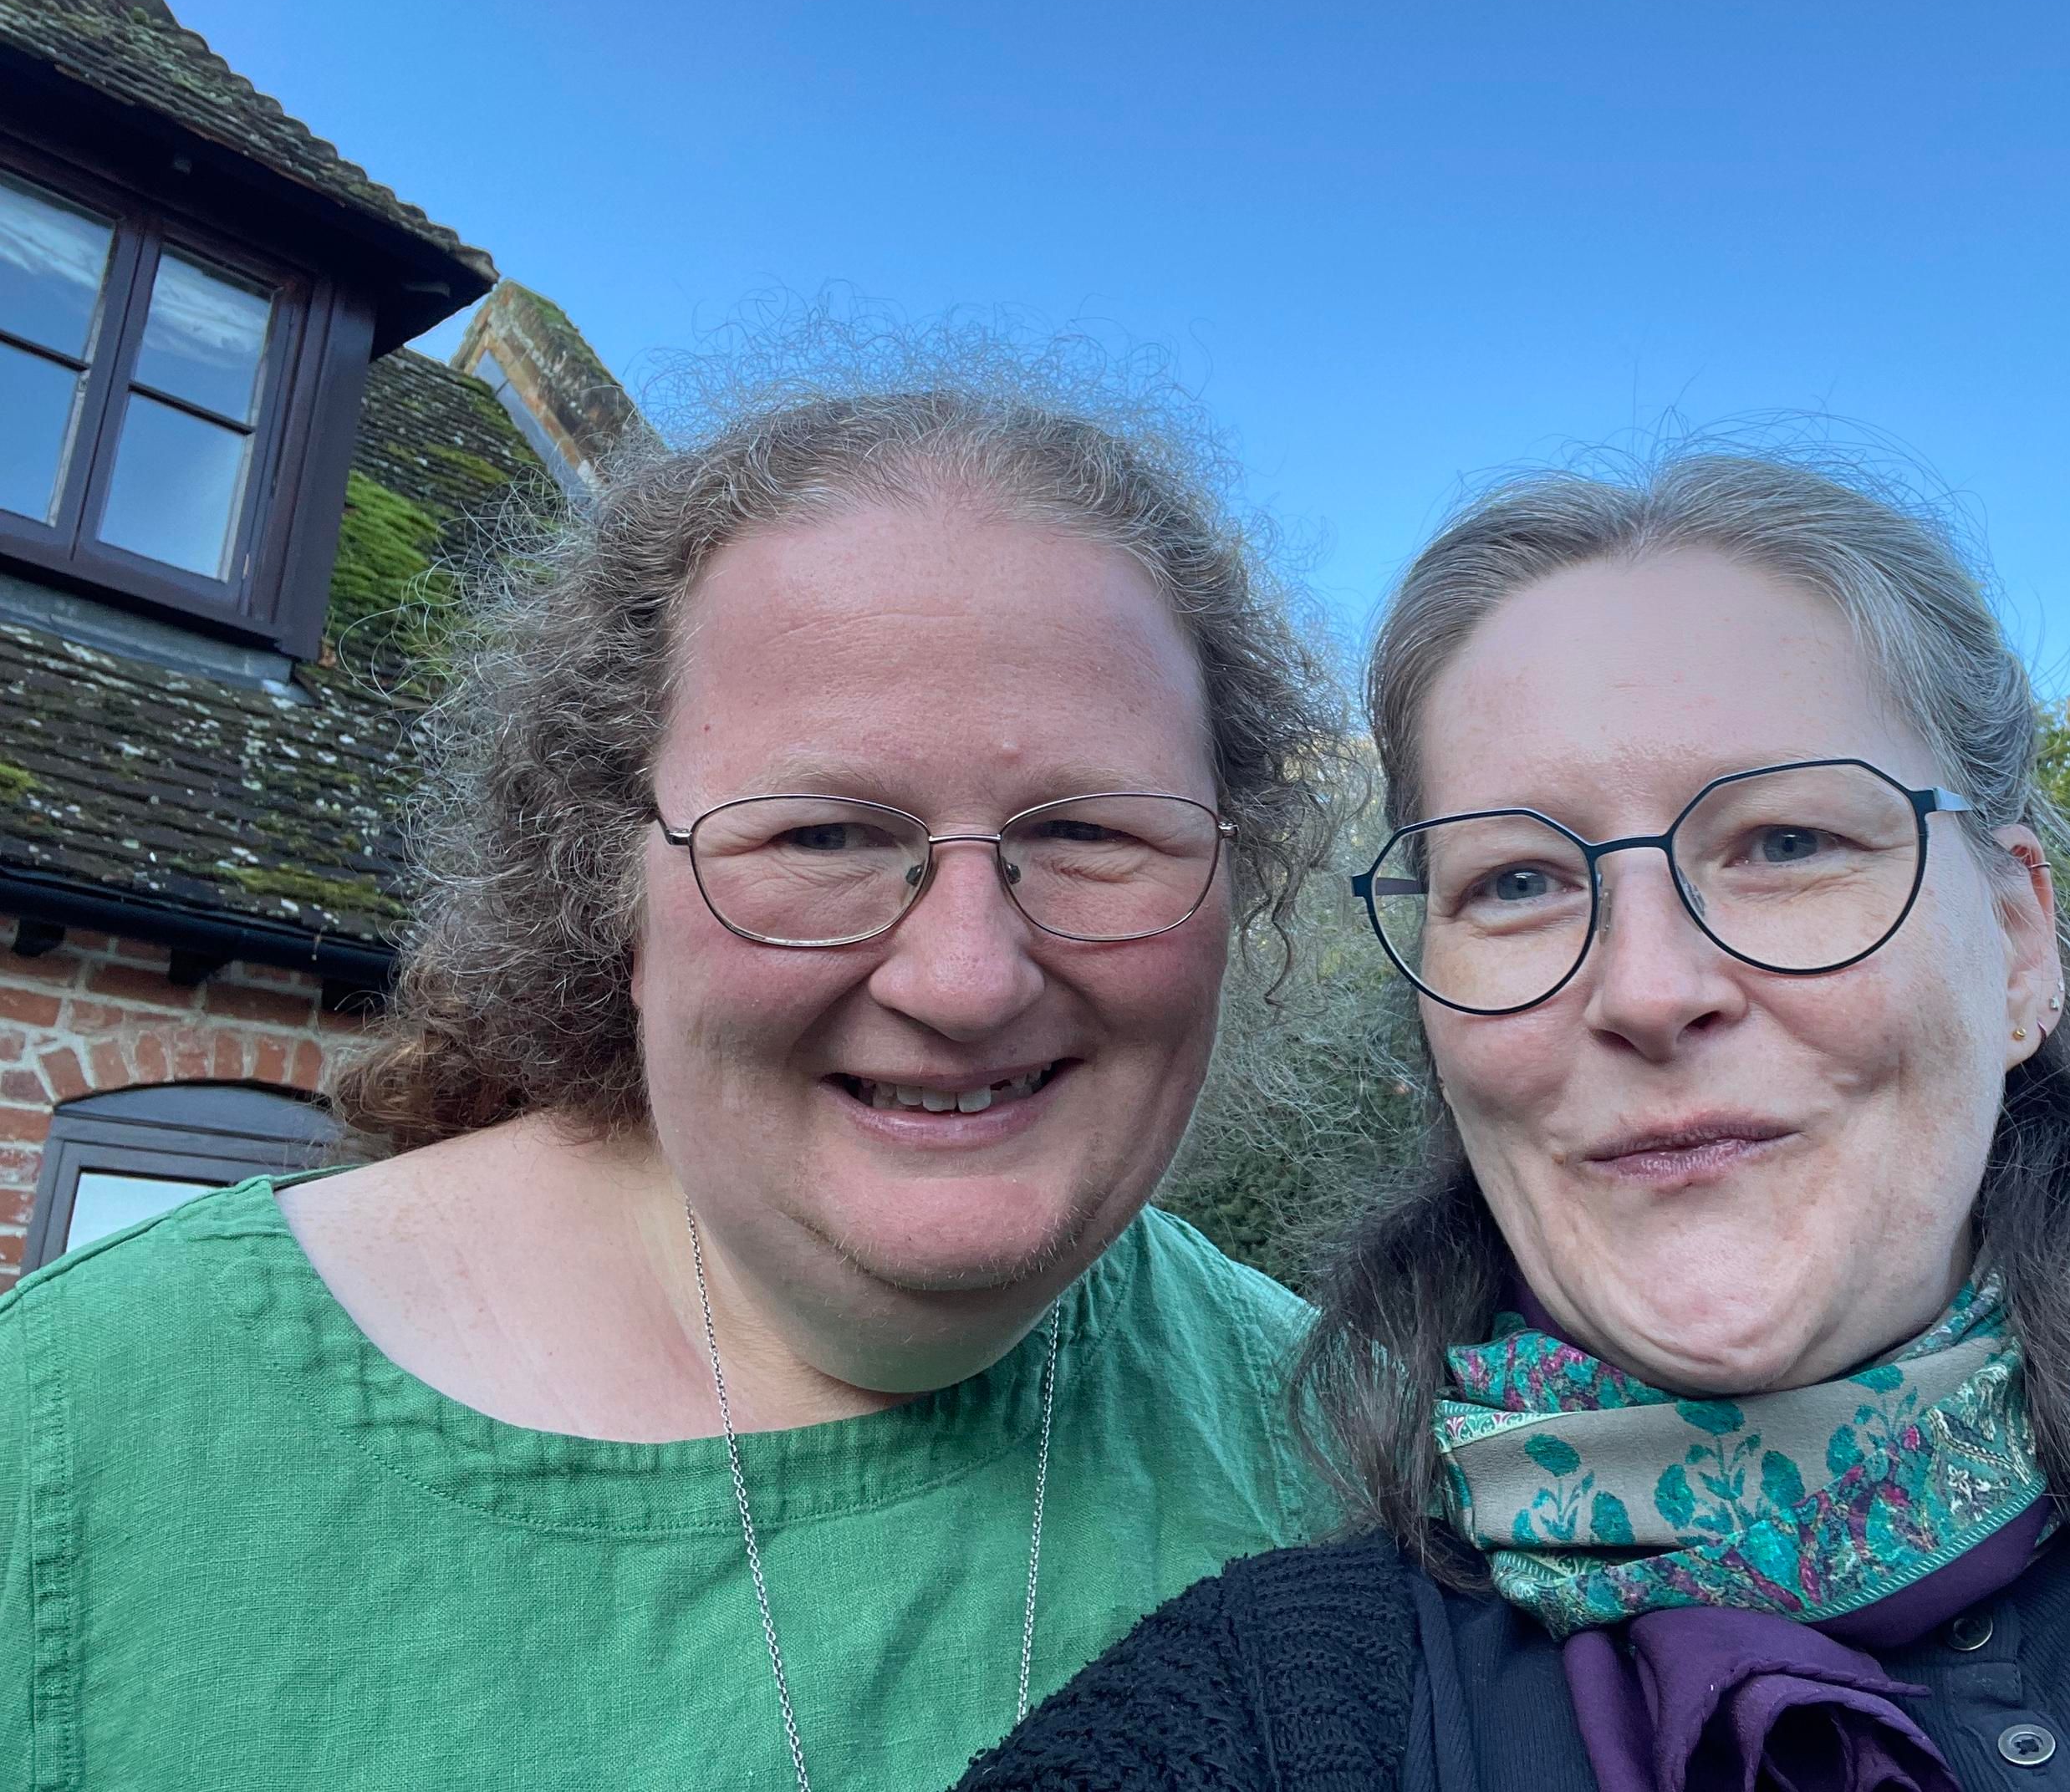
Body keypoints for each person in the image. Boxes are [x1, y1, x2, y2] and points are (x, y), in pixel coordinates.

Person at [962, 451, 2070, 1792]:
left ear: (2012, 940)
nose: (1647, 983)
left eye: (1785, 841)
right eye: (1516, 879)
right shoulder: (1284, 1719)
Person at [0, 371, 1350, 1788]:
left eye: (1088, 829)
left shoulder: (1372, 1459)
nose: (965, 978)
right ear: (608, 894)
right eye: (820, 835)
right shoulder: (66, 1439)